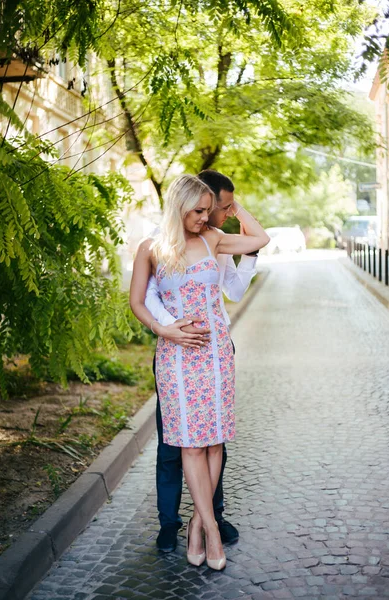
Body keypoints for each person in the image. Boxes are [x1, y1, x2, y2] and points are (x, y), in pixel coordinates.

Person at [129, 174, 269, 570]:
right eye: (199, 210)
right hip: (176, 356)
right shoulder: (151, 249)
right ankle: (209, 529)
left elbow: (260, 240)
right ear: (178, 207)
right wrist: (164, 328)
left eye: (210, 210)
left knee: (213, 443)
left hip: (216, 354)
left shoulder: (212, 238)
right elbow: (137, 301)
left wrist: (234, 208)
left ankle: (197, 524)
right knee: (188, 444)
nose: (206, 217)